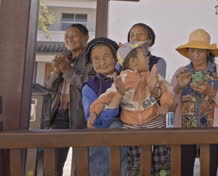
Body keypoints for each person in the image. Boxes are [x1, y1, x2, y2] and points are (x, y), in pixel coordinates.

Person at [88, 41, 174, 176]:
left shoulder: (152, 75)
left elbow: (167, 89)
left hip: (156, 128)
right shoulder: (123, 79)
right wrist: (94, 112)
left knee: (162, 165)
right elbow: (106, 97)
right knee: (136, 166)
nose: (148, 58)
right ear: (134, 62)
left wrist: (165, 104)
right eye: (144, 55)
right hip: (133, 132)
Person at [171, 29, 218, 176]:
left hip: (212, 132)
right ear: (188, 52)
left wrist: (211, 92)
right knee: (183, 171)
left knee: (209, 171)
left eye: (200, 51)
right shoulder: (180, 72)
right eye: (192, 50)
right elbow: (170, 105)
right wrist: (178, 87)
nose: (196, 55)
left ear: (208, 52)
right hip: (184, 131)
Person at [45, 23, 94, 175]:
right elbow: (49, 88)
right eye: (67, 36)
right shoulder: (64, 58)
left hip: (81, 116)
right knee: (52, 164)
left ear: (85, 38)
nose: (69, 39)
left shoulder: (92, 59)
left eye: (74, 35)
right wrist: (57, 72)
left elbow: (89, 85)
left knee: (80, 167)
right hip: (58, 115)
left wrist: (67, 70)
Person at [81, 37, 127, 175]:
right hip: (102, 142)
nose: (102, 62)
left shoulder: (128, 78)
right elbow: (96, 122)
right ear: (91, 63)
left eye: (106, 56)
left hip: (129, 141)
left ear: (116, 58)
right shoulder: (89, 88)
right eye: (96, 58)